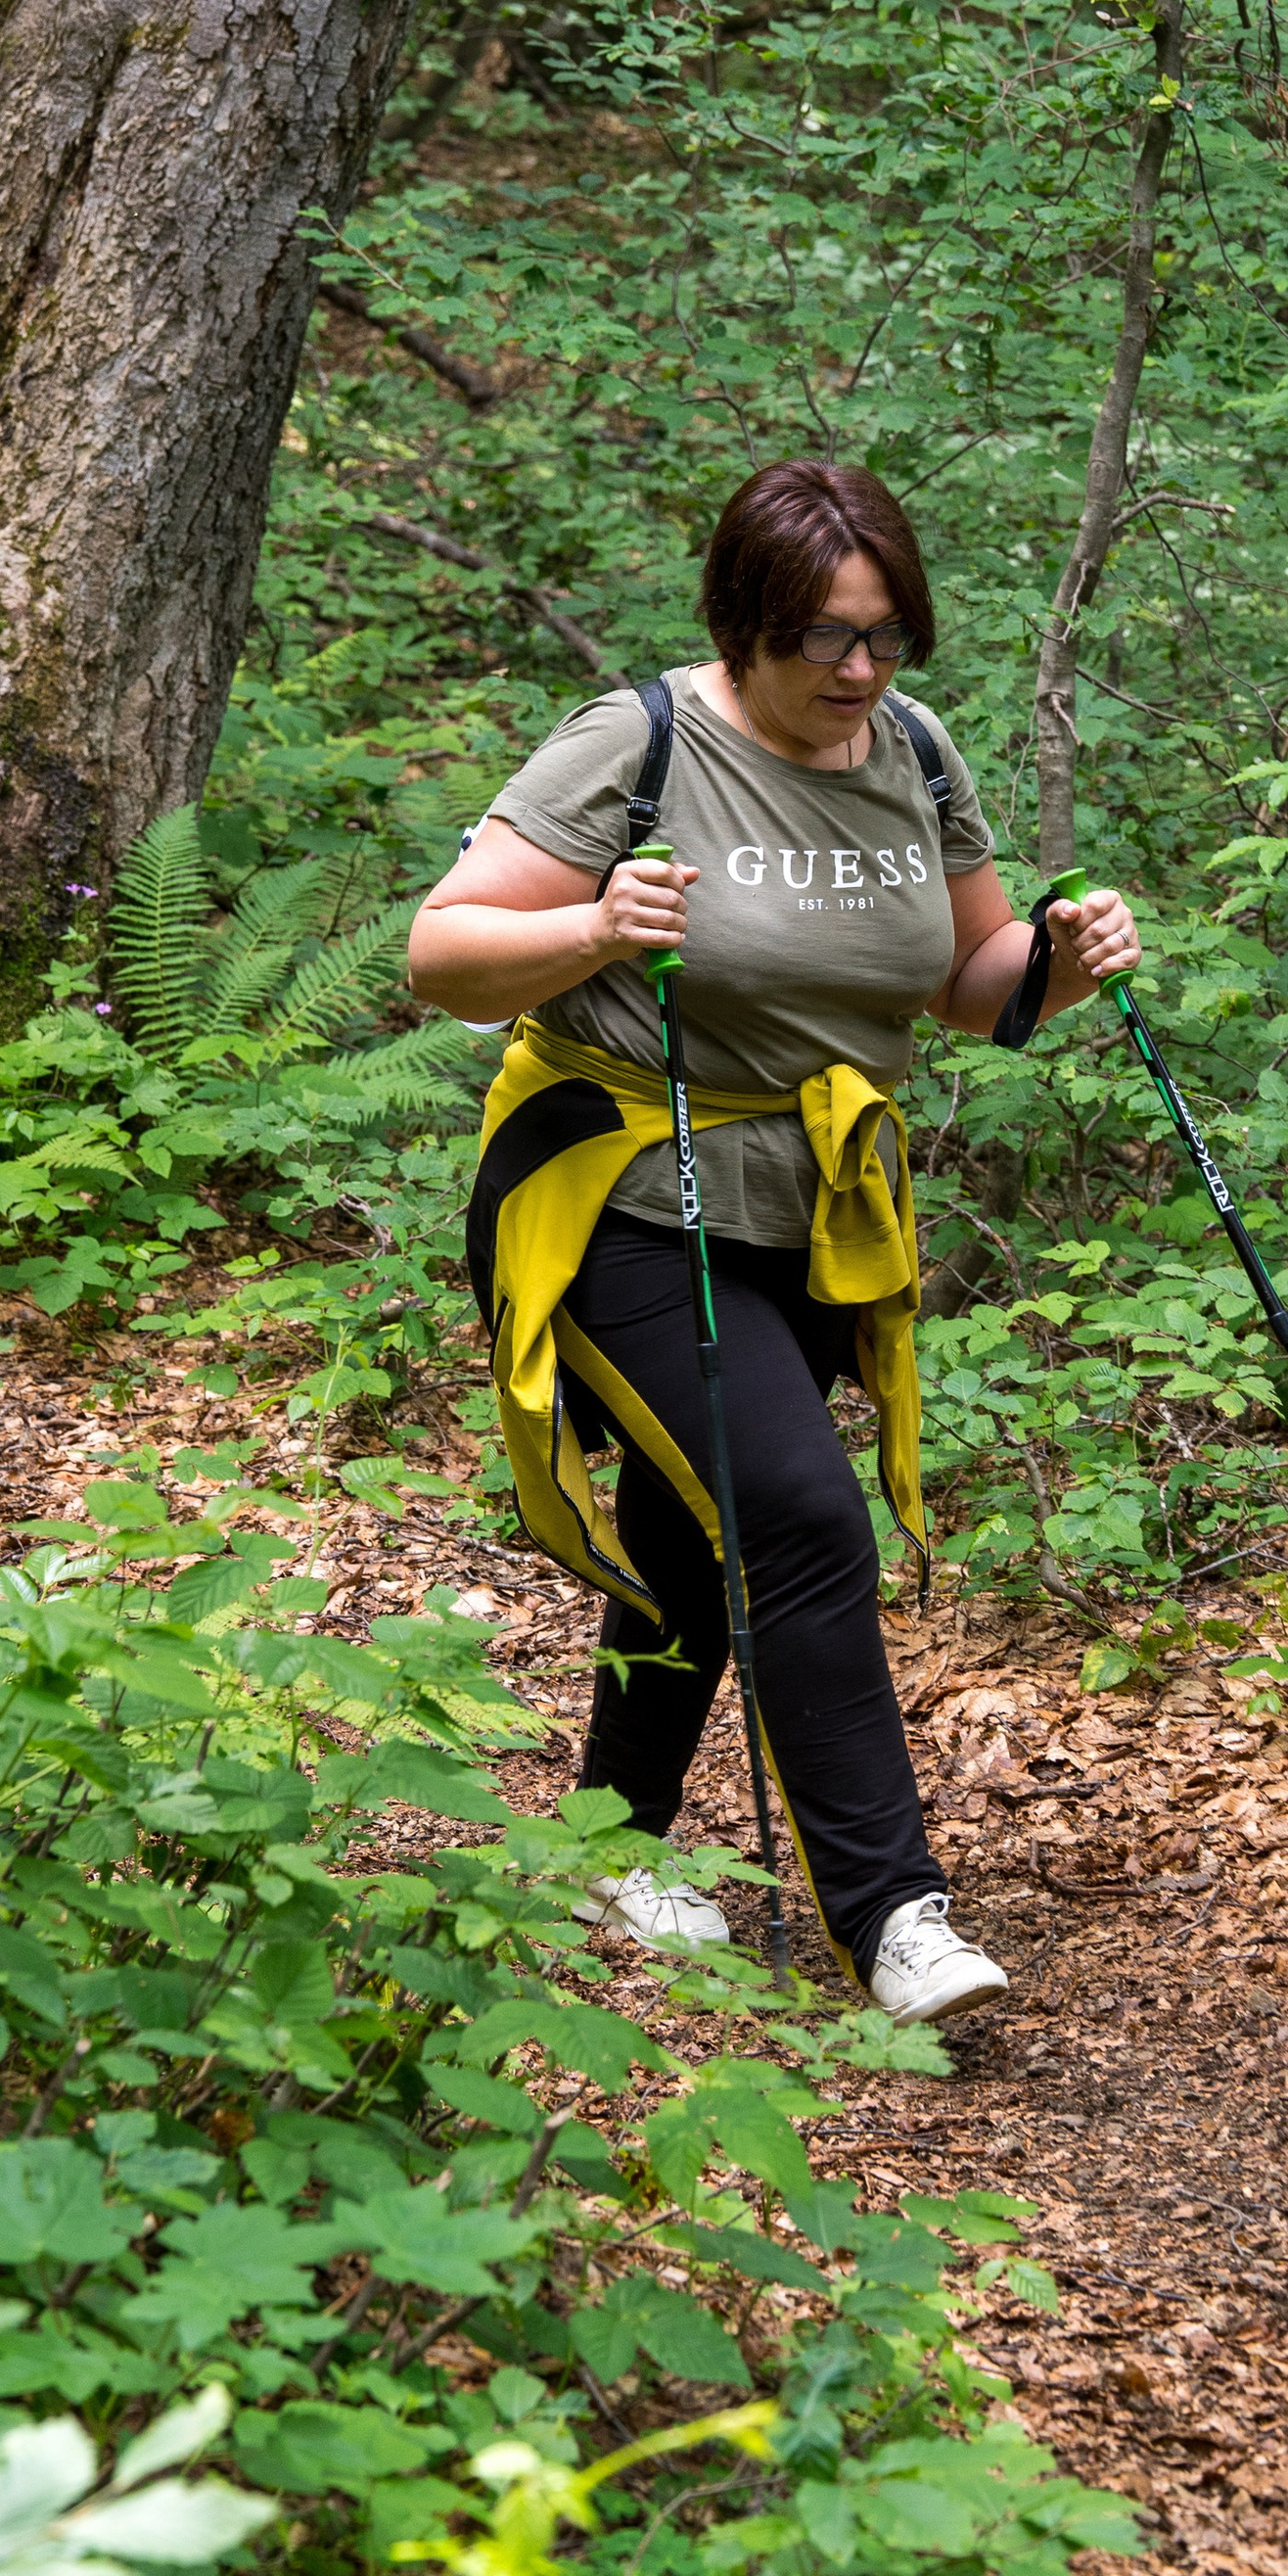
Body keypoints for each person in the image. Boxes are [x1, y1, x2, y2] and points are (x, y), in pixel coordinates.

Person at [406, 459, 1142, 2024]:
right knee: (802, 1515)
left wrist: (1068, 958)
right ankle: (895, 1914)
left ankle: (607, 1838)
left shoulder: (914, 754)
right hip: (610, 1190)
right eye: (825, 636)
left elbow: (967, 981)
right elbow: (444, 954)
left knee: (700, 1520)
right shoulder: (643, 742)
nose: (859, 671)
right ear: (744, 620)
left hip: (809, 1208)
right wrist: (595, 930)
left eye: (886, 637)